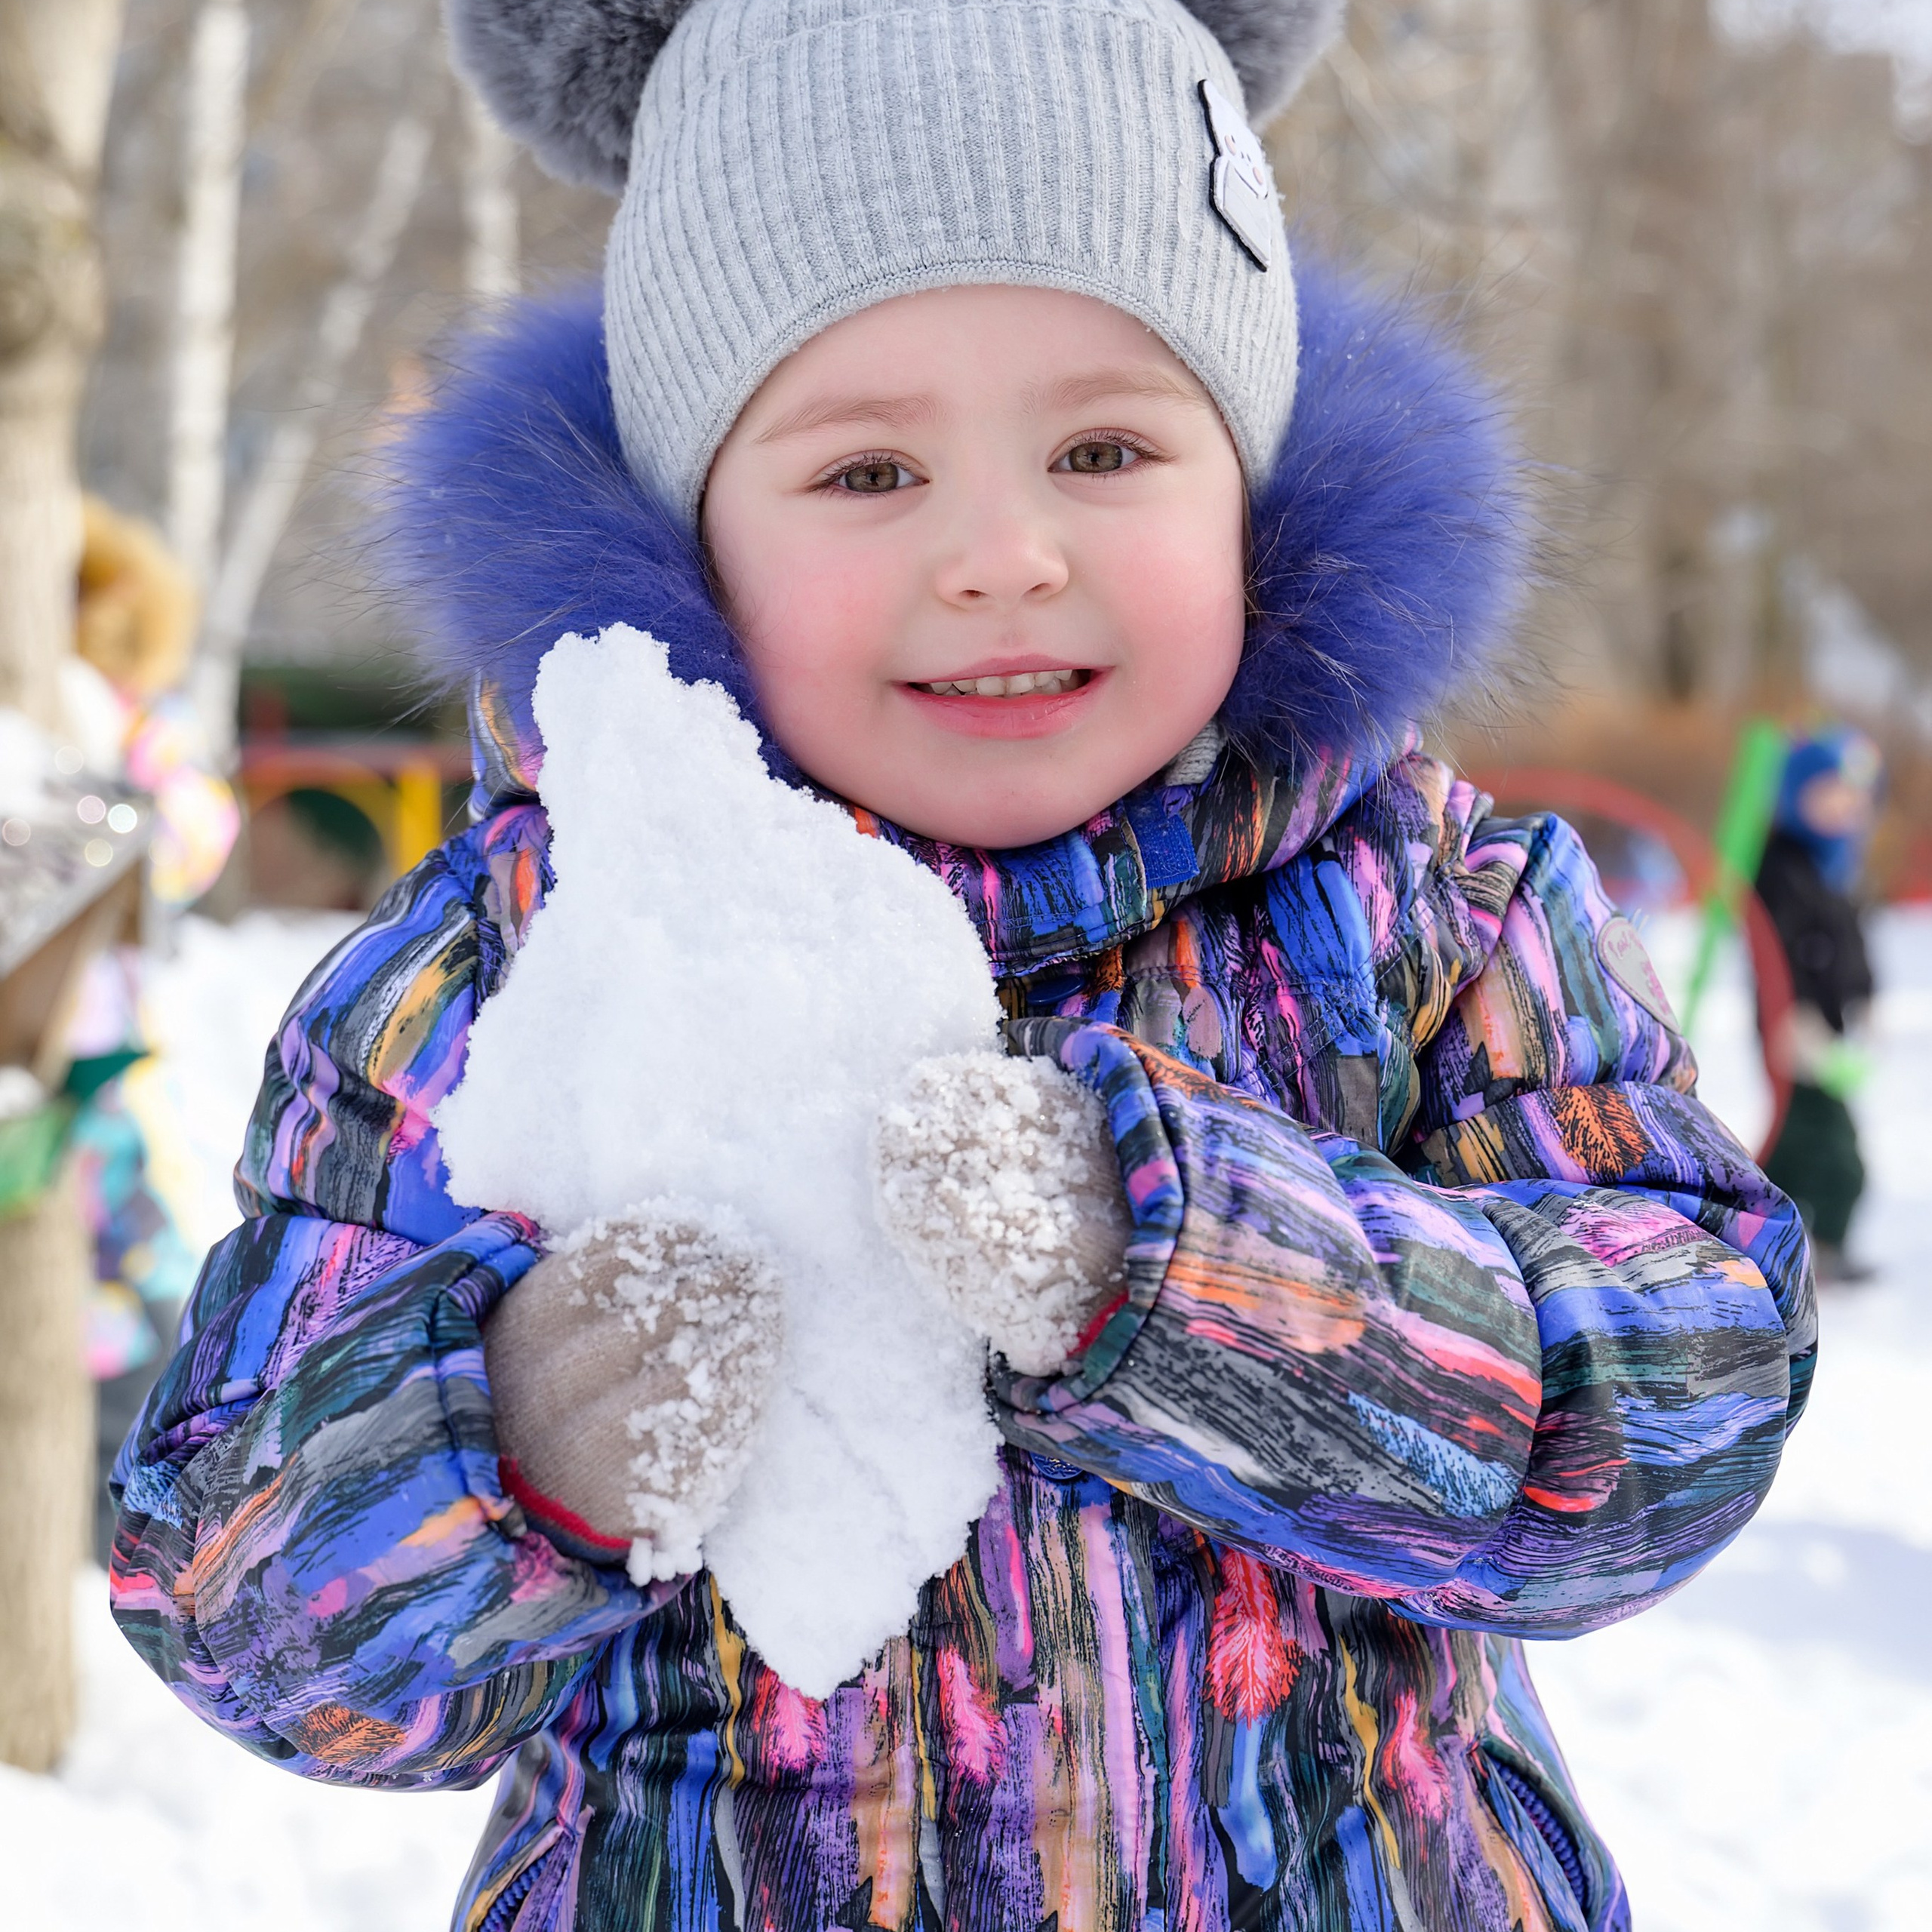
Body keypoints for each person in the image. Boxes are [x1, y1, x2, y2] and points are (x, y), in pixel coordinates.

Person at [107, 2, 1812, 1927]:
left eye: (1101, 446)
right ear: (692, 534)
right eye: (865, 473)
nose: (1003, 553)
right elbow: (236, 1612)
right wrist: (509, 1445)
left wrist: (1198, 1270)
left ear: (1245, 484)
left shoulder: (1424, 910)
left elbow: (1685, 1405)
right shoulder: (520, 965)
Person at [1756, 725, 1882, 1287]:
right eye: (1827, 794)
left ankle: (1750, 1228)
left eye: (1853, 796)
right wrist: (1795, 1019)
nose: (1843, 806)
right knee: (1833, 1151)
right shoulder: (1782, 867)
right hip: (1793, 1030)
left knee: (1791, 1144)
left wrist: (1866, 998)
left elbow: (1849, 945)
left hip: (1829, 1033)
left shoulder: (1834, 865)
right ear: (1794, 797)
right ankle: (1824, 1244)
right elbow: (1781, 948)